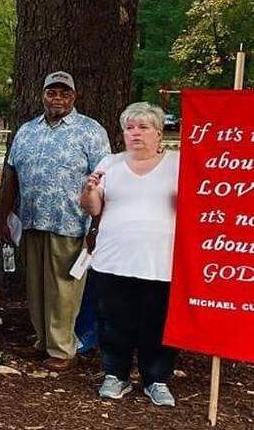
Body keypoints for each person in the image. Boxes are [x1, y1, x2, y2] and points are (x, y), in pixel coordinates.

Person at [0, 71, 110, 371]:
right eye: (51, 92)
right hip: (32, 220)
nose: (57, 98)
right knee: (36, 287)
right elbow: (11, 175)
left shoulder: (90, 130)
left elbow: (103, 181)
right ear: (43, 95)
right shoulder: (27, 131)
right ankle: (43, 340)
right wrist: (3, 216)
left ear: (73, 96)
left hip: (71, 222)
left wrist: (97, 225)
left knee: (64, 289)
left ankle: (62, 349)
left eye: (64, 93)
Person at [80, 102, 179, 407]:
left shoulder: (178, 163)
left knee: (157, 322)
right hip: (114, 259)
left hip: (161, 260)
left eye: (143, 127)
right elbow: (93, 208)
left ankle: (156, 379)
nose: (135, 133)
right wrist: (89, 191)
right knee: (114, 321)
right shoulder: (109, 163)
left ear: (159, 132)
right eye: (129, 128)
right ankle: (115, 375)